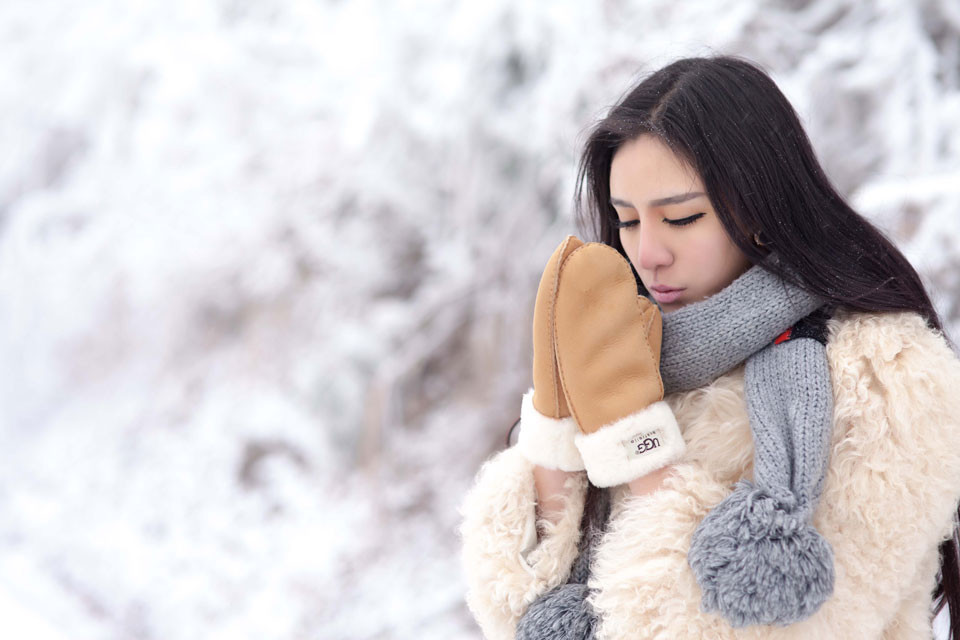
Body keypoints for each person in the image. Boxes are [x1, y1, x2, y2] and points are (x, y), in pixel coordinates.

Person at [457, 54, 960, 640]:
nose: (648, 255)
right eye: (627, 221)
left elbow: (794, 627)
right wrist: (557, 414)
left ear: (761, 207)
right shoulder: (631, 356)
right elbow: (521, 611)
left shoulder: (886, 374)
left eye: (683, 217)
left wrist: (631, 439)